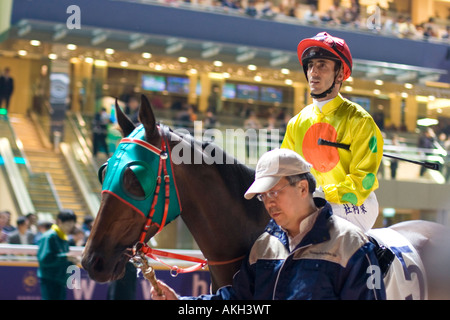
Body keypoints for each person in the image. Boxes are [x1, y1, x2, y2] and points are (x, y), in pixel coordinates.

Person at [151, 149, 386, 300]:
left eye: (274, 191)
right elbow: (237, 302)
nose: (269, 202)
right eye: (263, 196)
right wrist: (181, 303)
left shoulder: (351, 244)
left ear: (303, 187)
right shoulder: (263, 247)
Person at [281, 32, 384, 232]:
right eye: (310, 66)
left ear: (339, 74)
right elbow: (284, 171)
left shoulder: (361, 121)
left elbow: (364, 181)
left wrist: (321, 194)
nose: (313, 72)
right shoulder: (296, 123)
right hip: (309, 203)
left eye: (322, 65)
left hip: (356, 205)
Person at [37, 209, 79, 300]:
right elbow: (44, 260)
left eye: (72, 224)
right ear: (59, 221)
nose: (70, 227)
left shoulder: (64, 237)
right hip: (50, 280)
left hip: (61, 280)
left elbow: (64, 259)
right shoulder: (49, 237)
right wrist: (66, 257)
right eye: (68, 224)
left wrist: (72, 261)